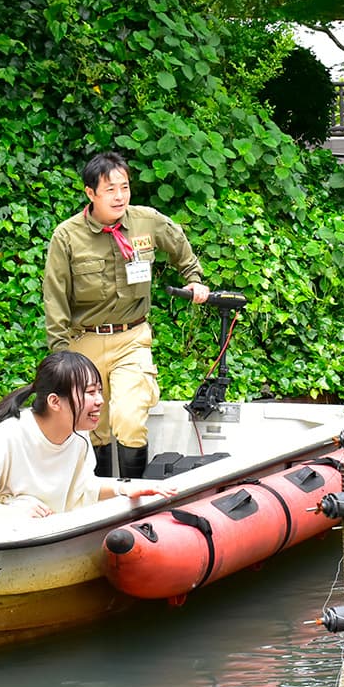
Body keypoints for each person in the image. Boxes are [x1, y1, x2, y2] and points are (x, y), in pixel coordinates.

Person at [43, 151, 209, 484]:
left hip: (131, 338)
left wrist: (193, 276)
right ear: (90, 193)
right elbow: (55, 296)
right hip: (84, 343)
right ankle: (100, 497)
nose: (120, 196)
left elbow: (178, 244)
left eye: (125, 187)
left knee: (129, 419)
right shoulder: (67, 236)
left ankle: (138, 499)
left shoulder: (146, 220)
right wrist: (62, 357)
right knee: (93, 427)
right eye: (110, 190)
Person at [0, 351, 172, 517]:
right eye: (90, 392)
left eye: (99, 391)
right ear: (54, 401)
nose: (100, 401)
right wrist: (11, 515)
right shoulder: (8, 436)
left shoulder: (79, 438)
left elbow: (81, 490)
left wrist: (123, 489)